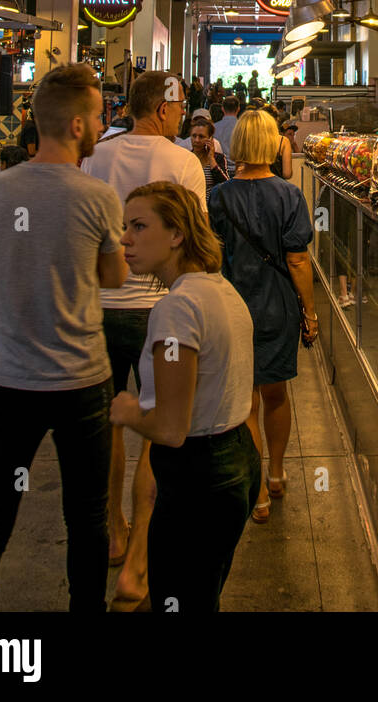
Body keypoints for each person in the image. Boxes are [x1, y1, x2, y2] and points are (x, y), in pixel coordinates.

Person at [0, 64, 128, 613]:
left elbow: (0, 273)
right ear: (76, 126)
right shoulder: (98, 197)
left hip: (9, 381)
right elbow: (114, 277)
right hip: (82, 381)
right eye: (98, 117)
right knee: (87, 521)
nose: (102, 125)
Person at [81, 70, 205, 611]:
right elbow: (196, 240)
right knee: (159, 428)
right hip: (162, 311)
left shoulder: (98, 157)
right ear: (161, 108)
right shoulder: (183, 162)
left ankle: (112, 529)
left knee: (112, 418)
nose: (182, 119)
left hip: (101, 307)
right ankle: (137, 563)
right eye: (178, 110)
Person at [110, 183, 259, 613]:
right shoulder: (220, 290)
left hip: (199, 483)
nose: (125, 239)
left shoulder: (176, 309)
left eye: (139, 226)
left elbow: (171, 429)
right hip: (236, 466)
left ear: (176, 234)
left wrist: (128, 411)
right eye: (125, 227)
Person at [208, 110, 316, 524]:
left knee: (245, 401)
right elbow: (298, 260)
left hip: (233, 307)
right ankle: (276, 473)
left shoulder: (218, 196)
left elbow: (211, 256)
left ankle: (257, 496)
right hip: (278, 307)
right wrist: (310, 311)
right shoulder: (289, 195)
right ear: (272, 143)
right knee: (276, 394)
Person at [188, 118, 230, 194]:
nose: (197, 140)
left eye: (201, 137)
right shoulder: (186, 158)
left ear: (210, 139)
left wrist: (212, 160)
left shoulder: (218, 158)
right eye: (194, 136)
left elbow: (225, 185)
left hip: (210, 204)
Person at [263, 105, 293, 180]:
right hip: (278, 187)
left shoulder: (253, 140)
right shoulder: (283, 141)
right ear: (276, 120)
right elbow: (287, 174)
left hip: (256, 187)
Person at [214, 94, 240, 161]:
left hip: (220, 166)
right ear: (238, 109)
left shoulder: (214, 127)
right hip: (239, 166)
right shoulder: (244, 127)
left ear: (222, 109)